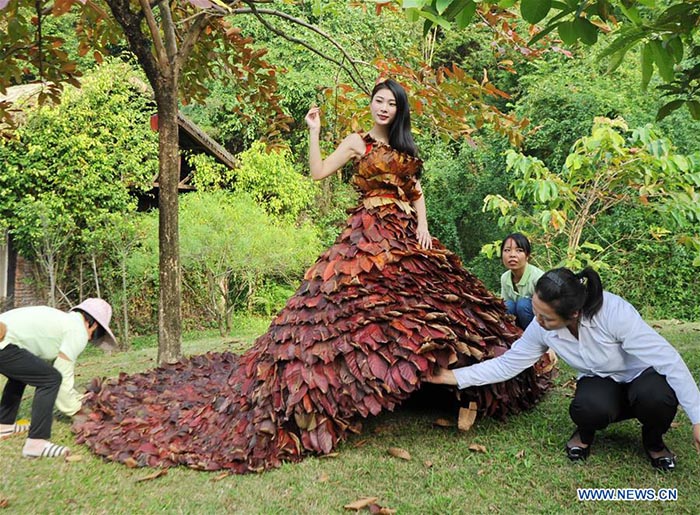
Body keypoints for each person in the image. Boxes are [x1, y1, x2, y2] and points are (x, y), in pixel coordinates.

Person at [73, 79, 552, 473]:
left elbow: (417, 190)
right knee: (351, 310)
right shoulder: (356, 142)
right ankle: (355, 388)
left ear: (400, 109)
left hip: (409, 235)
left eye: (392, 103)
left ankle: (462, 385)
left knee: (430, 309)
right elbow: (319, 172)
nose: (384, 107)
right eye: (378, 100)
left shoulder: (405, 146)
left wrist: (424, 225)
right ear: (371, 105)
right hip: (368, 233)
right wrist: (314, 131)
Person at [426, 267, 700, 471]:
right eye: (535, 311)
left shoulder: (614, 313)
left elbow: (669, 360)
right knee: (586, 407)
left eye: (545, 317)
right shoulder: (541, 328)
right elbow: (509, 363)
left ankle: (653, 442)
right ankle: (585, 431)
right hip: (601, 380)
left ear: (574, 314)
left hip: (642, 378)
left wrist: (698, 419)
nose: (537, 321)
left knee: (658, 399)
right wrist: (451, 376)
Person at [0, 298, 117, 458]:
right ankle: (36, 444)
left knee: (23, 375)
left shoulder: (65, 322)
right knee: (51, 379)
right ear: (94, 324)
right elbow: (62, 375)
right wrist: (77, 410)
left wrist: (78, 397)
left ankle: (4, 425)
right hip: (3, 339)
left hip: (5, 339)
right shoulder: (78, 330)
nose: (90, 339)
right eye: (96, 335)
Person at [499, 232, 544, 330]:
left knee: (523, 304)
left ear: (527, 255)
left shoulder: (538, 277)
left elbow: (546, 310)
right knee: (506, 306)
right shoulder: (504, 278)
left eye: (519, 250)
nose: (512, 255)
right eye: (507, 250)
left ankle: (532, 338)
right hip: (518, 325)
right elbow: (504, 307)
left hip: (540, 325)